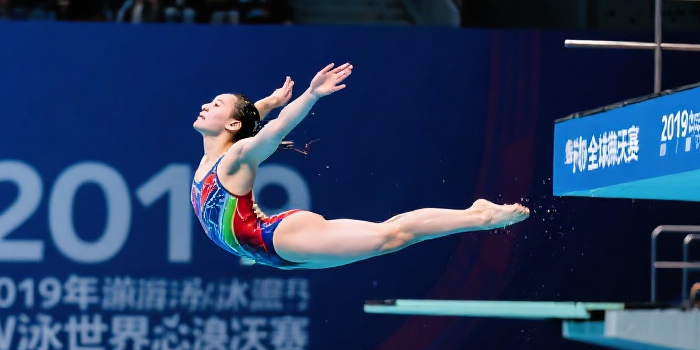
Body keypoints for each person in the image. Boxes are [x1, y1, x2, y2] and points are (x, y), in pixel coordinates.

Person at [191, 63, 530, 270]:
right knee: (389, 241)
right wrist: (268, 101)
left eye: (216, 104)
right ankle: (475, 216)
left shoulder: (235, 159)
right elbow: (250, 121)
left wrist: (309, 95)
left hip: (280, 239)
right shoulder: (212, 156)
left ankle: (479, 216)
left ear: (232, 125)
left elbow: (276, 129)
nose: (206, 104)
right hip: (273, 257)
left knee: (389, 236)